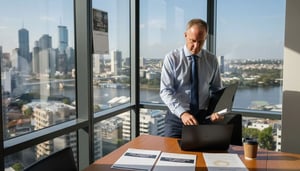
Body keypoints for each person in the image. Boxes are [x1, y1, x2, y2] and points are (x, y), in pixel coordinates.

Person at [160, 18, 224, 138]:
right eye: (192, 41)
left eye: (201, 42)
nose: (196, 46)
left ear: (205, 38)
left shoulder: (211, 60)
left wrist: (217, 109)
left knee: (203, 155)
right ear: (185, 35)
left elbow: (216, 90)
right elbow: (165, 91)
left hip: (203, 118)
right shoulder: (172, 58)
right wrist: (182, 113)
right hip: (177, 118)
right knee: (171, 154)